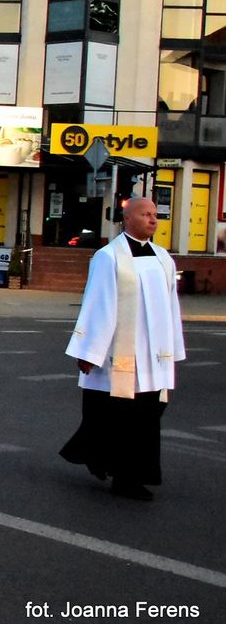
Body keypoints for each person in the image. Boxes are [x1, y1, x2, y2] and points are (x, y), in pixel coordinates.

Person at [60, 197, 185, 501]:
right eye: (145, 214)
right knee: (119, 417)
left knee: (148, 415)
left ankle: (111, 463)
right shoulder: (109, 256)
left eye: (155, 215)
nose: (152, 220)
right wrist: (89, 352)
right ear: (127, 219)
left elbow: (171, 307)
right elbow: (98, 304)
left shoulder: (162, 258)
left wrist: (173, 350)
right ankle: (125, 478)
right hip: (120, 358)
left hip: (153, 358)